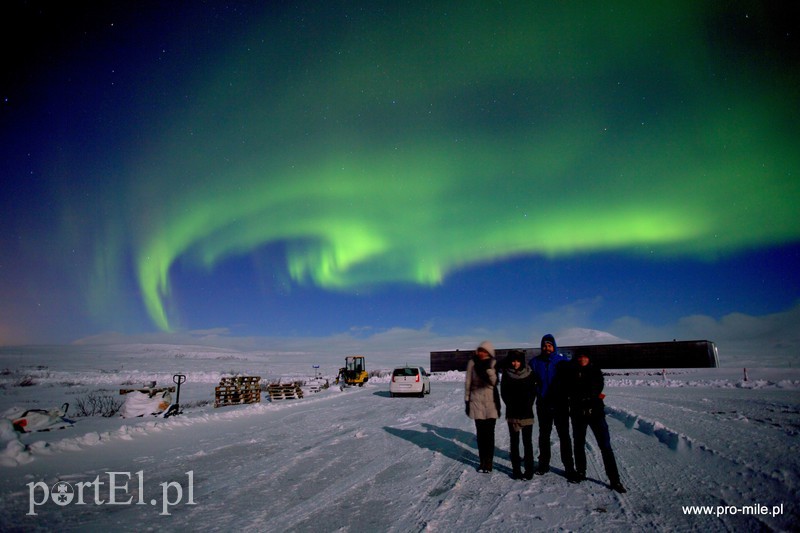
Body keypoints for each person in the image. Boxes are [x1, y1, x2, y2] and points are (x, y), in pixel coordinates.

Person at [565, 350, 627, 493]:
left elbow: (596, 389)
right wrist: (581, 395)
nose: (582, 359)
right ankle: (581, 472)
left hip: (596, 413)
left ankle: (614, 479)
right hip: (578, 413)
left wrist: (584, 396)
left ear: (589, 358)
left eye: (584, 357)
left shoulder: (595, 371)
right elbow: (570, 390)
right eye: (579, 357)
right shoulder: (571, 372)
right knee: (579, 443)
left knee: (605, 446)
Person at [530, 333, 577, 481]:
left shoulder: (562, 362)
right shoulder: (535, 362)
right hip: (543, 404)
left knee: (564, 435)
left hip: (560, 404)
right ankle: (543, 464)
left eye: (549, 345)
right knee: (544, 435)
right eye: (544, 345)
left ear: (554, 346)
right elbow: (529, 381)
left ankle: (569, 468)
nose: (546, 348)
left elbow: (572, 380)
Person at [500, 349, 540, 480]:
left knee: (527, 442)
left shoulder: (530, 374)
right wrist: (511, 405)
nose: (515, 363)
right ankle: (516, 469)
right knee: (514, 442)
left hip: (527, 412)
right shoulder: (506, 374)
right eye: (513, 361)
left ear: (522, 361)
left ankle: (529, 470)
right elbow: (504, 393)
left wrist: (527, 405)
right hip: (512, 412)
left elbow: (533, 392)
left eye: (518, 361)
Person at [465, 340, 500, 473]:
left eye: (485, 351)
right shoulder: (472, 363)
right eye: (480, 350)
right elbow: (468, 382)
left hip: (491, 404)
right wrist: (467, 400)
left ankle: (489, 462)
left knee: (489, 434)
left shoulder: (493, 363)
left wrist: (490, 370)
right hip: (477, 403)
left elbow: (495, 382)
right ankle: (482, 462)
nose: (482, 353)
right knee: (481, 435)